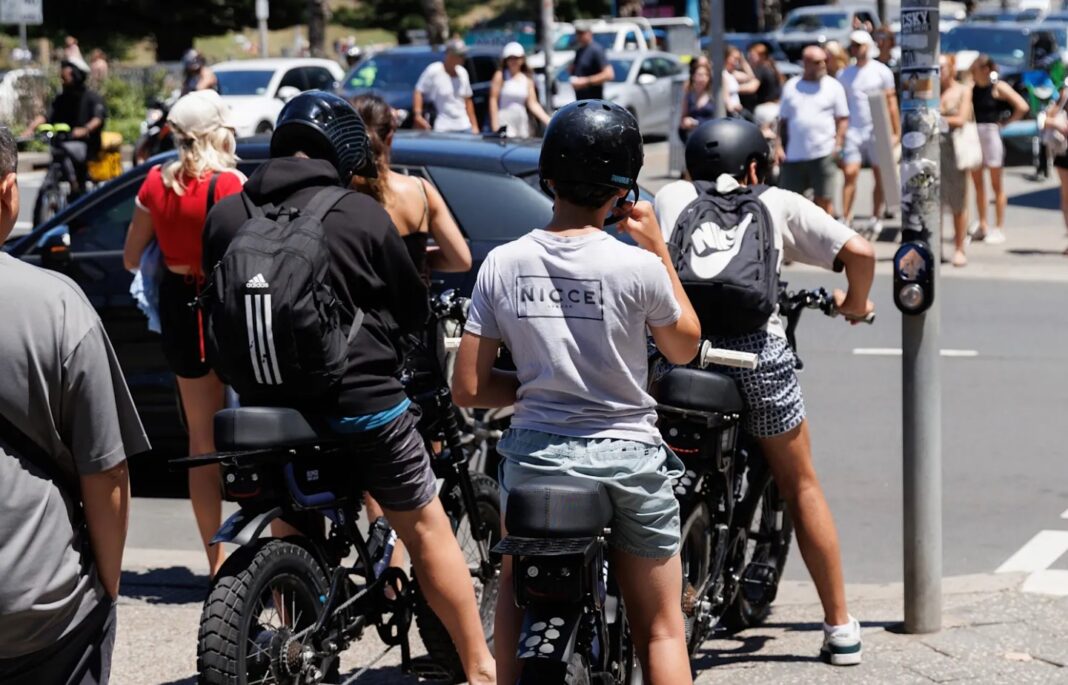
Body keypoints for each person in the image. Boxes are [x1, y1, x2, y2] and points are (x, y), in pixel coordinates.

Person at [201, 91, 496, 685]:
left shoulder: (227, 215)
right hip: (362, 406)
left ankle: (297, 620)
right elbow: (411, 308)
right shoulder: (360, 214)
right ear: (342, 151)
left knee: (287, 512)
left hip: (264, 408)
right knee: (426, 524)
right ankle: (481, 667)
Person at [453, 100, 700, 684]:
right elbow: (686, 345)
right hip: (628, 458)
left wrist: (537, 384)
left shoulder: (502, 264)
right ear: (623, 191)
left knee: (515, 585)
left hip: (536, 458)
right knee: (661, 628)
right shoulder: (636, 267)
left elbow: (468, 386)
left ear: (548, 177)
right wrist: (658, 248)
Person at [655, 117, 875, 667]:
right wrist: (855, 304)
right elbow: (863, 252)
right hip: (756, 355)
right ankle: (839, 627)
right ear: (754, 166)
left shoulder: (673, 195)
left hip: (677, 353)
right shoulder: (775, 202)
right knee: (799, 482)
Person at [0, 126, 149, 684]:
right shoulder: (58, 305)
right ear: (9, 190)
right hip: (40, 606)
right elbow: (106, 468)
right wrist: (107, 587)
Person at [122, 90, 246, 577]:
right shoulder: (232, 183)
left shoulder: (156, 183)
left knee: (200, 441)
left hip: (180, 308)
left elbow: (132, 258)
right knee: (255, 434)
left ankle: (213, 561)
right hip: (226, 311)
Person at [350, 92, 474, 573]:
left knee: (376, 451)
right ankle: (413, 555)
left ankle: (386, 557)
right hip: (413, 333)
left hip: (363, 334)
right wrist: (419, 262)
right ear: (391, 135)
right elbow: (460, 258)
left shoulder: (345, 195)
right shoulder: (418, 193)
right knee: (424, 444)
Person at [837, 30, 900, 233]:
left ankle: (876, 215)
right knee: (850, 173)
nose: (856, 49)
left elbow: (891, 103)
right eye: (853, 45)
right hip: (854, 130)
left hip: (877, 128)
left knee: (879, 173)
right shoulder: (844, 74)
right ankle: (846, 216)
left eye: (859, 45)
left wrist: (896, 131)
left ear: (868, 46)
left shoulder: (882, 72)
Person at [777, 46, 849, 216]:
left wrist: (838, 145)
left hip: (823, 153)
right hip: (794, 155)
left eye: (825, 60)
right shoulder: (791, 86)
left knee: (824, 200)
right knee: (790, 201)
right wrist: (778, 147)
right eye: (817, 62)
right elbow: (782, 121)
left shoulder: (833, 86)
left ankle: (824, 240)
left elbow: (843, 119)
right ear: (806, 63)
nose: (823, 65)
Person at [25, 56, 106, 196]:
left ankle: (76, 186)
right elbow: (46, 116)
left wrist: (85, 130)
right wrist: (30, 129)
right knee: (59, 153)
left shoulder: (92, 97)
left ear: (76, 76)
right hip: (63, 142)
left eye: (65, 77)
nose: (62, 81)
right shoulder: (61, 99)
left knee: (69, 158)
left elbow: (98, 118)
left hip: (85, 145)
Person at [970, 54, 1028, 244]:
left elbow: (1022, 106)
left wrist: (1006, 123)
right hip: (974, 134)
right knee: (978, 184)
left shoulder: (997, 87)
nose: (973, 73)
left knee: (996, 184)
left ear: (985, 69)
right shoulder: (971, 89)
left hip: (991, 133)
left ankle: (999, 226)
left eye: (976, 69)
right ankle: (983, 223)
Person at [940, 53, 974, 267]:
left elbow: (961, 119)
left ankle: (959, 247)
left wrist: (936, 119)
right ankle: (936, 247)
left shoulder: (962, 90)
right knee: (933, 201)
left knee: (958, 200)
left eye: (943, 67)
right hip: (934, 149)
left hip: (954, 150)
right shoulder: (929, 92)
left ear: (952, 69)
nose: (939, 72)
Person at [413, 39, 479, 134]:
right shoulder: (434, 70)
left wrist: (474, 125)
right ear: (450, 55)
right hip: (442, 128)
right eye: (460, 55)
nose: (463, 58)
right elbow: (419, 91)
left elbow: (468, 100)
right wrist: (418, 115)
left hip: (464, 126)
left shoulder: (463, 72)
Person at [488, 42, 550, 138]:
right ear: (506, 60)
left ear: (522, 59)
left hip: (521, 122)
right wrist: (495, 126)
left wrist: (549, 121)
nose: (513, 61)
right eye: (510, 58)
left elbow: (533, 104)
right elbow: (493, 100)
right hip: (504, 121)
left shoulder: (527, 79)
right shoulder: (500, 76)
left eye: (516, 58)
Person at [1043, 80, 1068, 255]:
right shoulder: (1061, 101)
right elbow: (1044, 120)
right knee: (1066, 196)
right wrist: (1061, 101)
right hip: (1064, 151)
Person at [570, 22, 614, 101]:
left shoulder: (596, 50)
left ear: (589, 33)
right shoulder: (580, 50)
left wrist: (586, 81)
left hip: (594, 102)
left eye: (581, 33)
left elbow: (609, 74)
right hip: (581, 100)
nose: (579, 36)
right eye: (577, 33)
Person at [741, 41, 783, 120]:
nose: (749, 58)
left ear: (762, 56)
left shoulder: (761, 69)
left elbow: (752, 87)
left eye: (752, 55)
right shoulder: (771, 68)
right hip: (776, 108)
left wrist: (734, 88)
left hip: (765, 110)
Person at [678, 61, 716, 142]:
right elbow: (683, 117)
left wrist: (696, 123)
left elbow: (718, 118)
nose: (701, 78)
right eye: (699, 75)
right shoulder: (689, 95)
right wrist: (685, 122)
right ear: (693, 76)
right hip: (693, 138)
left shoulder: (714, 95)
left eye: (704, 75)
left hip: (710, 136)